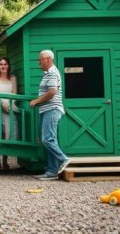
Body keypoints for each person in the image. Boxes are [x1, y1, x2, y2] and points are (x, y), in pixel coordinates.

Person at [29, 50, 70, 180]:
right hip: (47, 109)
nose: (39, 62)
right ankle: (52, 171)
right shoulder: (48, 73)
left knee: (47, 139)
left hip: (52, 109)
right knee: (50, 139)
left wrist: (37, 101)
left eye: (40, 59)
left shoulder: (52, 73)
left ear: (48, 59)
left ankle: (64, 159)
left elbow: (52, 92)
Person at [0, 57, 18, 170]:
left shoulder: (12, 78)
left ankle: (5, 160)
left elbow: (15, 93)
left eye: (5, 64)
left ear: (8, 65)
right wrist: (1, 104)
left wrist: (10, 104)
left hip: (10, 107)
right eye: (1, 64)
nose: (3, 66)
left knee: (7, 133)